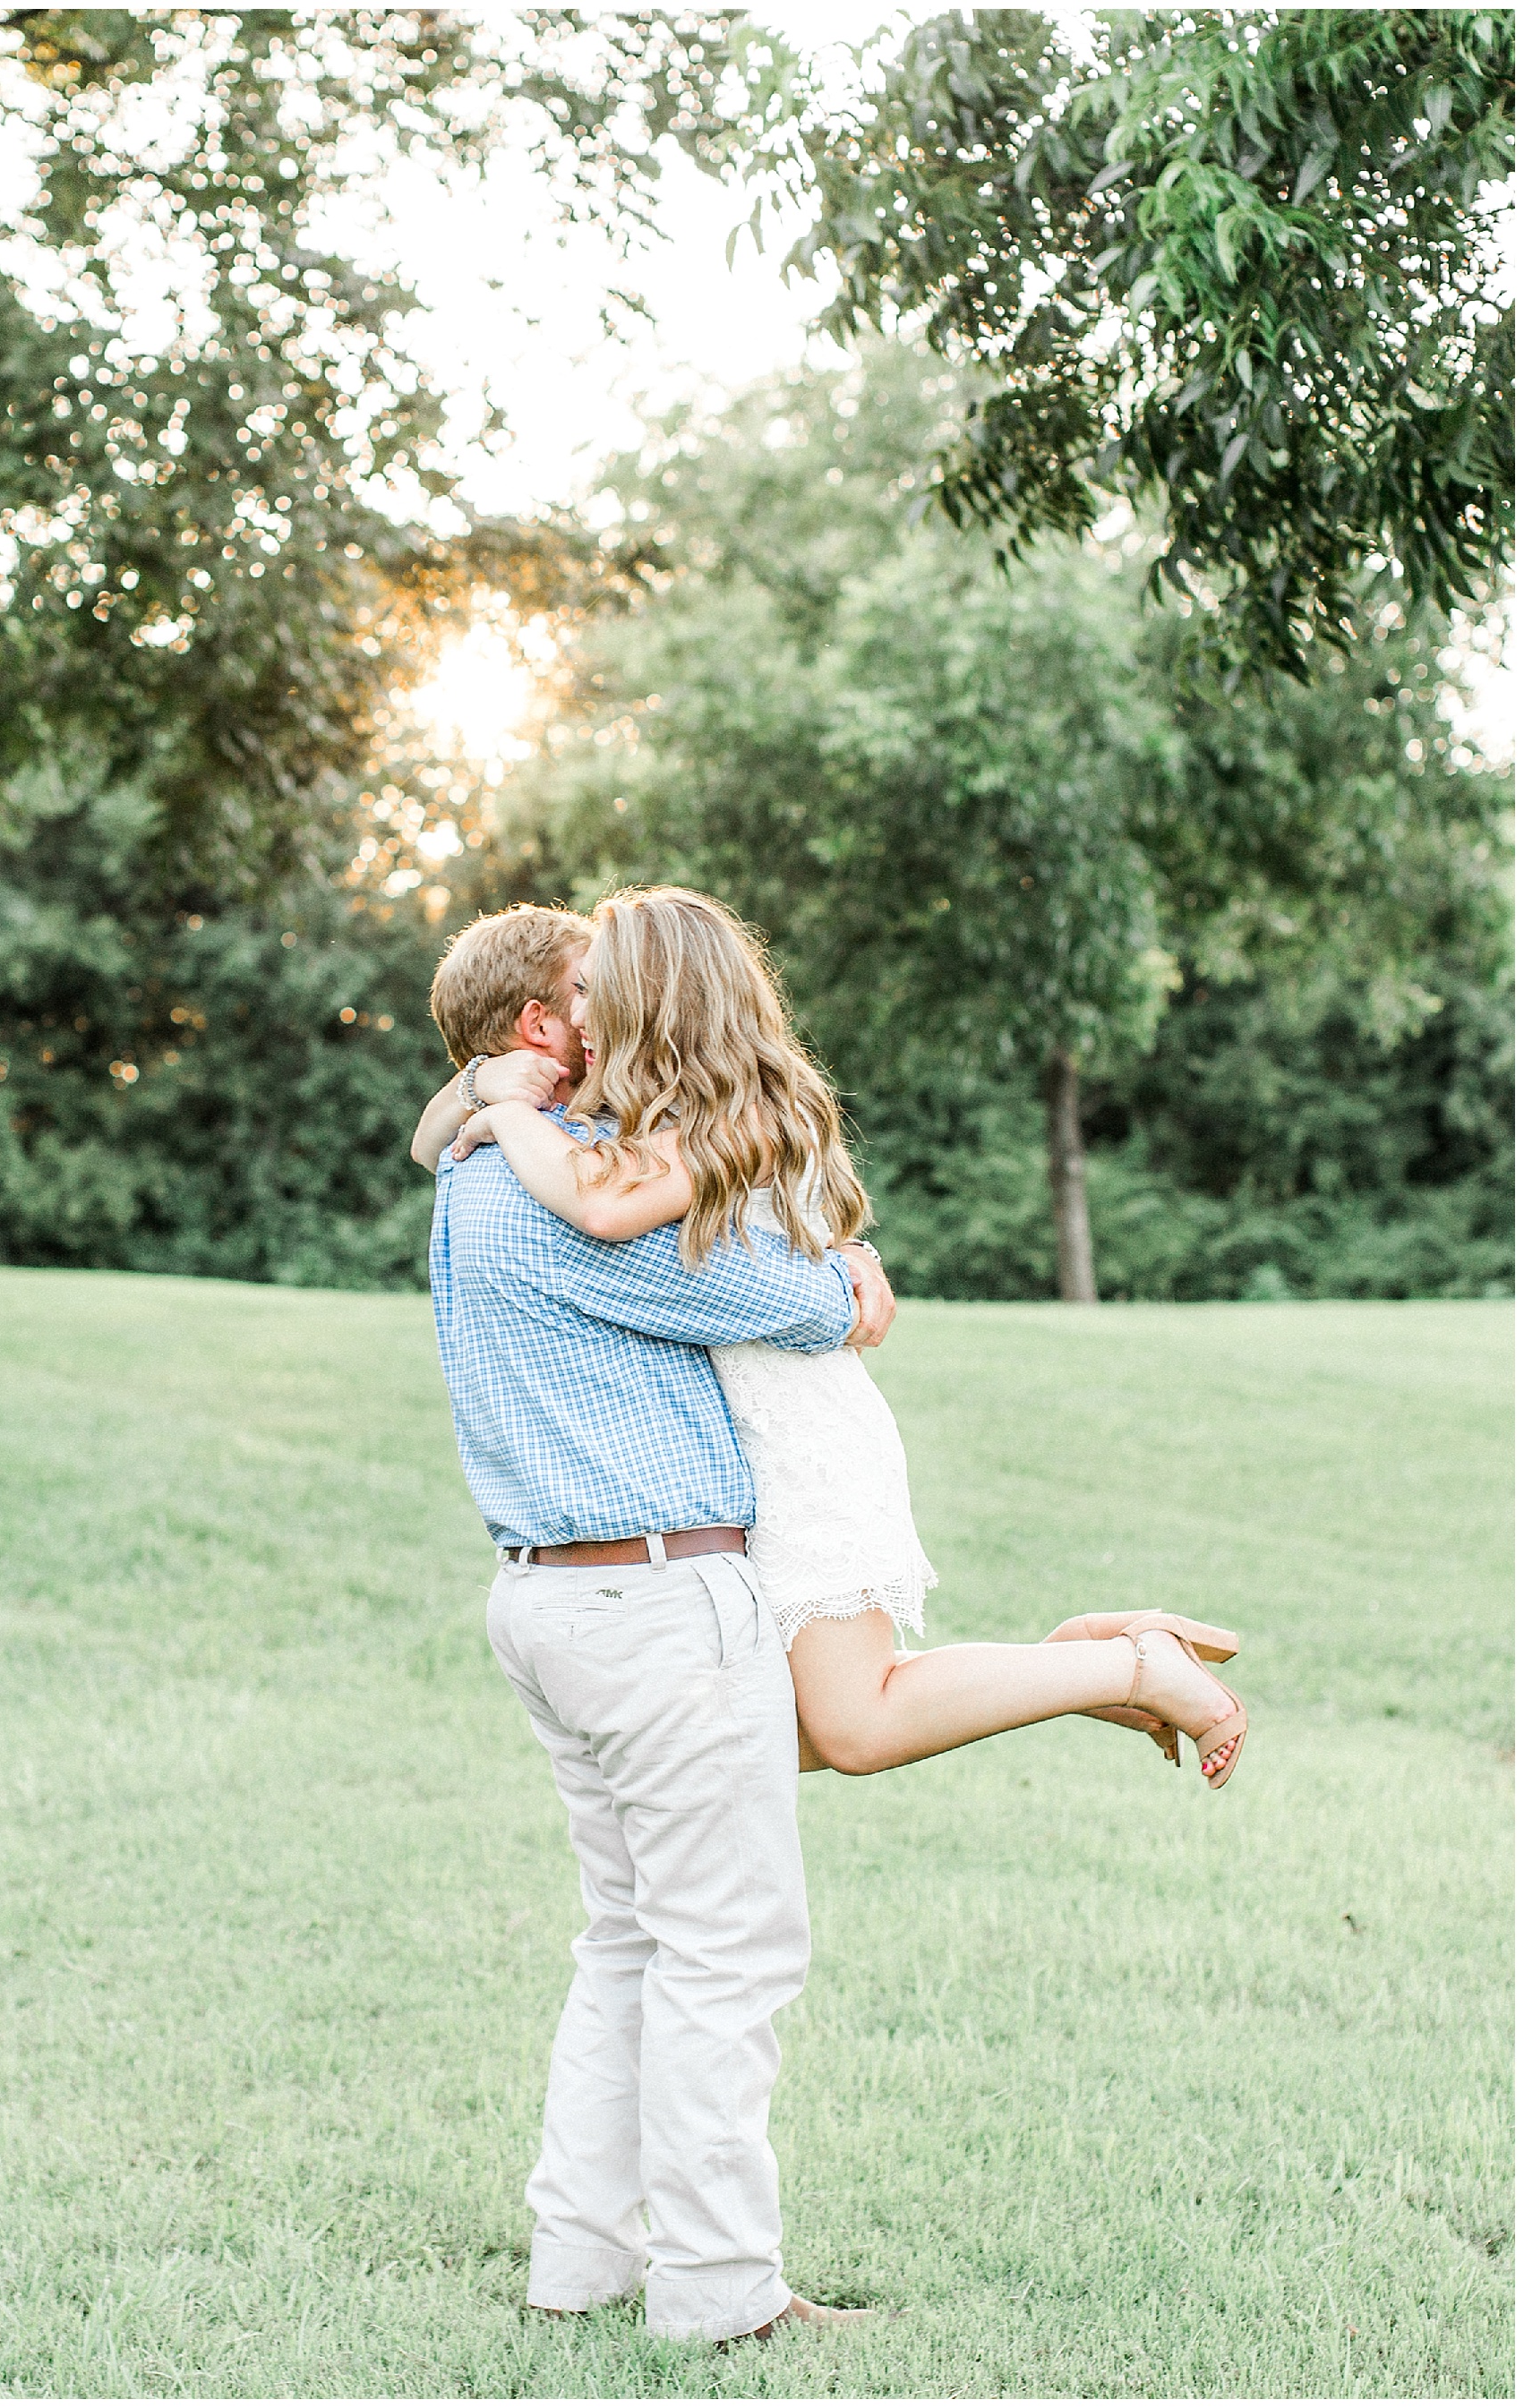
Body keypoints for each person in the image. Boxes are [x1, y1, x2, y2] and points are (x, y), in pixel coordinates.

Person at [427, 886, 1248, 1793]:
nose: (581, 1014)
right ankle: (1074, 1665)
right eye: (573, 993)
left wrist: (501, 1113)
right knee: (772, 1731)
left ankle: (1131, 1665)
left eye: (596, 989)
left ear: (653, 999)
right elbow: (435, 1140)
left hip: (799, 1433)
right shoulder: (649, 1117)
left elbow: (599, 1203)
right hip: (743, 1438)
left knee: (848, 1726)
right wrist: (477, 1087)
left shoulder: (726, 1120)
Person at [422, 902, 896, 2346]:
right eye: (588, 995)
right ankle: (720, 2297)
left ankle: (580, 2263)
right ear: (539, 1030)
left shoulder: (481, 1167)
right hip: (655, 1599)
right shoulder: (546, 1190)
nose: (615, 1011)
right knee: (726, 1953)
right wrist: (843, 1274)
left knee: (630, 1943)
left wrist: (486, 1104)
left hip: (560, 1599)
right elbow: (787, 1300)